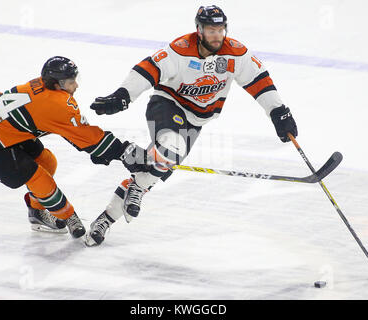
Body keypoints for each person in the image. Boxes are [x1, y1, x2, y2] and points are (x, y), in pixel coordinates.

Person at [86, 5, 298, 246]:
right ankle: (133, 156)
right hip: (167, 106)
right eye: (210, 30)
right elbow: (149, 68)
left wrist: (279, 112)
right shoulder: (181, 49)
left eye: (220, 29)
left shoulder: (235, 54)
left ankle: (104, 219)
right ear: (199, 30)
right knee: (170, 149)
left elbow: (259, 81)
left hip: (196, 121)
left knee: (151, 175)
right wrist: (123, 94)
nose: (216, 35)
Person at [0, 56, 145, 239]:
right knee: (39, 178)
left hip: (0, 127)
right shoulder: (56, 104)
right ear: (57, 84)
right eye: (71, 81)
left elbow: (66, 129)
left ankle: (37, 213)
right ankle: (69, 216)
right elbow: (89, 139)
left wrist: (91, 145)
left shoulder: (44, 87)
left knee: (47, 162)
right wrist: (123, 152)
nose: (76, 85)